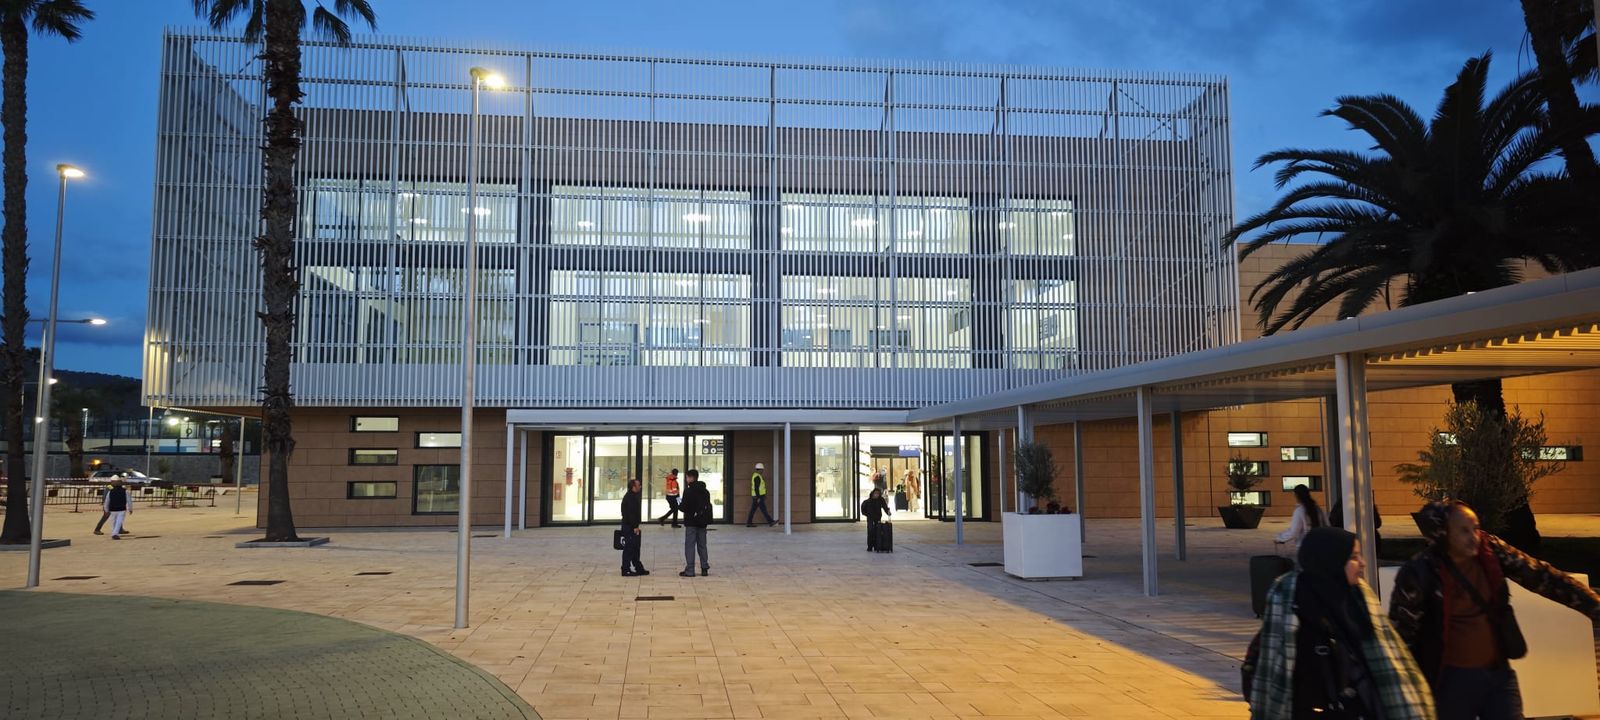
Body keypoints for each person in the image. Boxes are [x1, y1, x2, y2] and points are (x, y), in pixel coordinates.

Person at [1389, 500, 1600, 719]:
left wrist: (1594, 605)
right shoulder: (1419, 572)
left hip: (1497, 675)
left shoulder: (1491, 552)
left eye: (1476, 528)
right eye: (1464, 530)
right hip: (1449, 683)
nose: (1474, 537)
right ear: (1442, 534)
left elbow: (1541, 576)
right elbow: (1402, 635)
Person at [1244, 527, 1435, 719]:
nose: (1362, 563)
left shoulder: (1361, 600)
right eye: (1353, 557)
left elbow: (1389, 658)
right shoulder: (1288, 602)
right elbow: (1268, 670)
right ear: (1331, 560)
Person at [1276, 485, 1329, 552]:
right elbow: (1327, 525)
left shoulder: (1300, 510)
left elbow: (1294, 532)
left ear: (1296, 495)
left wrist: (1280, 538)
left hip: (1306, 547)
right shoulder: (1318, 509)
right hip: (1321, 545)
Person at [679, 469, 711, 577]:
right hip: (702, 522)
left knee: (690, 546)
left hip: (691, 522)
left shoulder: (688, 491)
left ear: (691, 478)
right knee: (702, 545)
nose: (686, 479)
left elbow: (684, 507)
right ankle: (704, 568)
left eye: (687, 477)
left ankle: (690, 570)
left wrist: (678, 504)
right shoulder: (705, 491)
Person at [619, 478, 648, 577]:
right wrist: (635, 526)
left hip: (631, 526)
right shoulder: (630, 498)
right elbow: (630, 514)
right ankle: (625, 569)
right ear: (633, 487)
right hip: (629, 526)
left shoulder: (632, 496)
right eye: (638, 485)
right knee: (629, 548)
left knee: (635, 548)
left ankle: (638, 567)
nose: (640, 486)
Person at [861, 488, 891, 552]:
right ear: (872, 494)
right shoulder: (868, 501)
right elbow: (863, 510)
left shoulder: (881, 500)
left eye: (878, 494)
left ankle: (876, 546)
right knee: (870, 531)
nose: (876, 495)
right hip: (870, 518)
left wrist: (888, 512)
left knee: (877, 532)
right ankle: (870, 547)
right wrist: (867, 515)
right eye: (875, 493)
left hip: (877, 517)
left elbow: (885, 507)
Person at [746, 462, 774, 527]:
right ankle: (771, 522)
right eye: (762, 470)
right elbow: (756, 488)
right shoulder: (757, 477)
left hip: (757, 496)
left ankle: (749, 523)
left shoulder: (757, 476)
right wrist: (759, 497)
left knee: (753, 510)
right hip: (758, 497)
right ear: (760, 469)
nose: (763, 471)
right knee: (764, 510)